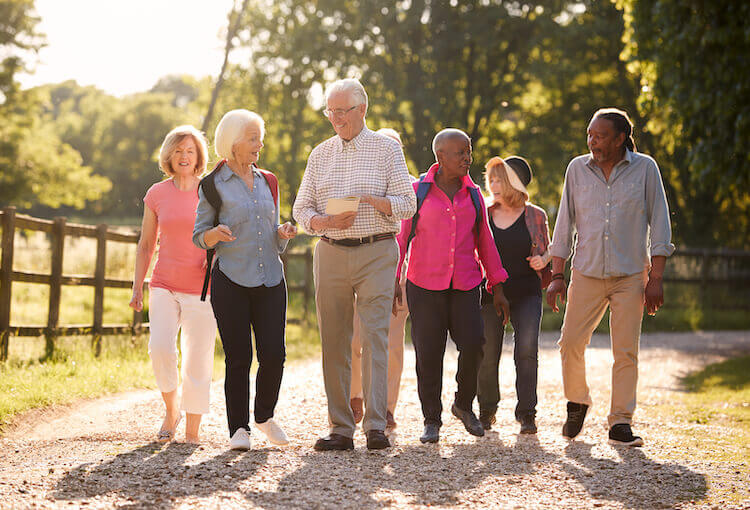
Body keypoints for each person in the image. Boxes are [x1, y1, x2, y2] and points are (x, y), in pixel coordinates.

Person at [293, 79, 416, 451]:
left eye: (342, 110)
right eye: (330, 111)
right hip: (330, 250)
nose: (335, 118)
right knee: (334, 340)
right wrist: (325, 222)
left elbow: (407, 204)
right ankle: (341, 428)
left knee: (375, 335)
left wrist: (372, 201)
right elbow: (301, 210)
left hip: (377, 250)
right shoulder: (320, 154)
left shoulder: (385, 150)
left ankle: (376, 426)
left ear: (362, 109)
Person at [547, 108, 675, 447]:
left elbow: (660, 223)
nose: (592, 141)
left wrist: (656, 278)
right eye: (589, 134)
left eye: (600, 136)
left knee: (625, 350)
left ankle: (620, 422)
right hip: (586, 272)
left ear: (620, 139)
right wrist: (557, 273)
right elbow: (564, 223)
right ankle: (577, 401)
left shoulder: (645, 168)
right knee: (570, 342)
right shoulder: (576, 169)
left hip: (631, 274)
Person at [395, 128, 509, 444]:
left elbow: (485, 240)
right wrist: (394, 278)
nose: (467, 158)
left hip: (465, 283)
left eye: (469, 152)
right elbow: (401, 239)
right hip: (424, 285)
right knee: (428, 354)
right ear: (440, 156)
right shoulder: (417, 192)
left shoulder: (473, 195)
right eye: (460, 153)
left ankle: (463, 403)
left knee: (474, 343)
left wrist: (497, 285)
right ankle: (431, 419)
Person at [192, 109, 297, 451]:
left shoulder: (269, 180)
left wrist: (282, 233)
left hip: (270, 280)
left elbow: (271, 229)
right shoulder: (212, 184)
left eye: (259, 137)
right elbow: (198, 235)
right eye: (253, 138)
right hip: (231, 280)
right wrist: (215, 235)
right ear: (234, 142)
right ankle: (239, 429)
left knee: (274, 354)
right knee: (239, 357)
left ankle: (264, 416)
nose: (259, 144)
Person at [129, 125, 217, 444]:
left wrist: (215, 255)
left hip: (203, 287)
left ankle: (192, 430)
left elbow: (224, 232)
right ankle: (171, 410)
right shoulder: (156, 193)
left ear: (198, 157)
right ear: (169, 154)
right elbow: (146, 244)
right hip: (164, 283)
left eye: (190, 151)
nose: (183, 156)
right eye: (178, 150)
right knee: (161, 348)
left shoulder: (212, 191)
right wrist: (138, 286)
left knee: (199, 356)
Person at [476, 156, 551, 435]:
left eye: (499, 179)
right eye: (491, 179)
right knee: (487, 352)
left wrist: (543, 260)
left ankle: (527, 413)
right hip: (489, 293)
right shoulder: (483, 213)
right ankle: (486, 411)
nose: (493, 184)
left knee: (527, 350)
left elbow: (546, 250)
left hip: (526, 292)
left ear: (513, 183)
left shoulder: (536, 215)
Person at [349, 128, 411, 436]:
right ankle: (355, 394)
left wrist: (401, 277)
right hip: (361, 275)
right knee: (355, 340)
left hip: (398, 280)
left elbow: (414, 240)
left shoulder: (410, 190)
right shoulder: (359, 184)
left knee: (392, 345)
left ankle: (386, 407)